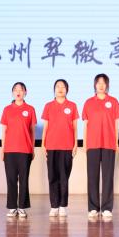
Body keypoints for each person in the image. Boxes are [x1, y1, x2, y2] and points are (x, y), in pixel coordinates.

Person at [82, 73, 119, 218]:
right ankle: (93, 207)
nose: (101, 85)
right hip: (92, 143)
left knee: (108, 176)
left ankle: (107, 208)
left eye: (104, 83)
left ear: (107, 85)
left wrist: (116, 142)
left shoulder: (114, 102)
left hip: (109, 143)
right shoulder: (88, 102)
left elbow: (116, 125)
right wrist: (85, 143)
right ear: (95, 85)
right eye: (98, 82)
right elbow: (85, 125)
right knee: (92, 176)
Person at [41, 78, 78, 217]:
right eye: (58, 86)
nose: (60, 89)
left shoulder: (72, 106)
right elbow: (45, 127)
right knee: (52, 176)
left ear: (67, 90)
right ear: (54, 89)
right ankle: (54, 206)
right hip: (51, 146)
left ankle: (63, 205)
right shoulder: (48, 106)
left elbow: (75, 127)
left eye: (63, 87)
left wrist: (75, 144)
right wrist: (43, 144)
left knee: (64, 177)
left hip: (67, 147)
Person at [1, 81, 37, 218]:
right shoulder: (7, 109)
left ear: (25, 92)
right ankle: (12, 207)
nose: (18, 92)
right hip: (9, 150)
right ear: (12, 93)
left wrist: (32, 149)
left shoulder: (30, 109)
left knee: (23, 179)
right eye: (15, 89)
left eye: (21, 89)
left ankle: (22, 207)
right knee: (11, 179)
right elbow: (4, 131)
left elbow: (32, 131)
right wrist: (3, 150)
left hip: (25, 150)